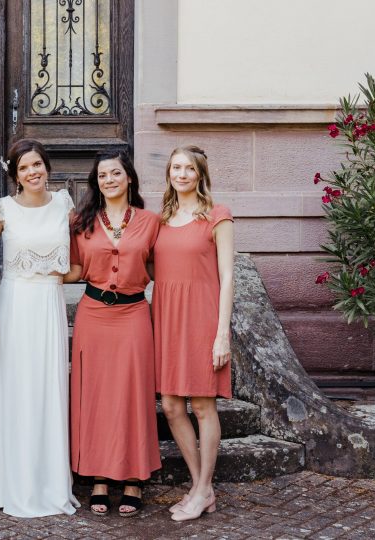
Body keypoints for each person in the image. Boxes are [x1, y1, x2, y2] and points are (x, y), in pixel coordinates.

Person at [0, 139, 80, 517]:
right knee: (15, 390)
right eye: (24, 167)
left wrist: (63, 275)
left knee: (47, 390)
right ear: (14, 175)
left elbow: (82, 262)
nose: (32, 172)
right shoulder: (2, 209)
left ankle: (50, 485)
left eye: (37, 164)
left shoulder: (64, 205)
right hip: (15, 305)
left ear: (47, 167)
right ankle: (12, 483)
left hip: (48, 305)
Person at [64, 149, 162, 517]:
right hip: (93, 315)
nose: (109, 180)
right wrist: (32, 272)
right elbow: (72, 269)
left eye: (116, 173)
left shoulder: (151, 222)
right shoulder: (80, 221)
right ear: (96, 182)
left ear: (130, 178)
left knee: (133, 395)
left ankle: (134, 477)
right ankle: (99, 477)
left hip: (134, 314)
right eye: (103, 175)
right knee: (96, 395)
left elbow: (162, 268)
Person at [152, 145, 234, 522]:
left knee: (202, 405)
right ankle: (202, 486)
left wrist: (222, 335)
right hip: (167, 320)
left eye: (188, 168)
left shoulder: (217, 217)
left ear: (200, 174)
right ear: (168, 173)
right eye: (175, 168)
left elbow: (228, 277)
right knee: (170, 406)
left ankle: (202, 489)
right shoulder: (161, 220)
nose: (181, 174)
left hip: (202, 319)